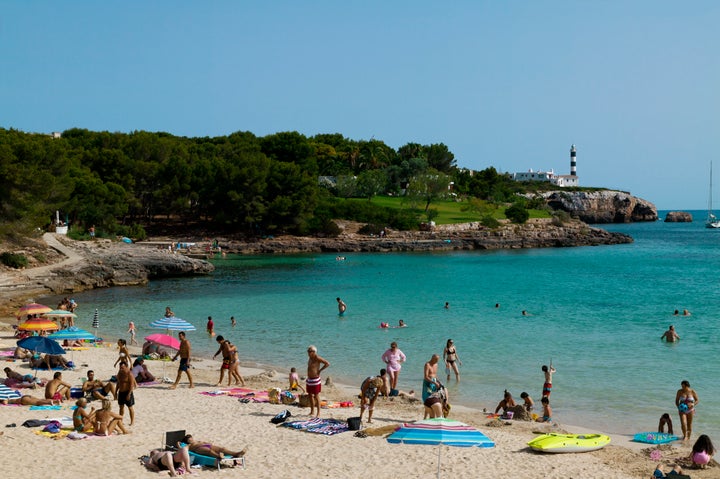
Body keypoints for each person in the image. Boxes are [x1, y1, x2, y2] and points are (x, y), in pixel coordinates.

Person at [182, 434, 247, 463]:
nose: (191, 439)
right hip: (198, 449)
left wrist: (207, 443)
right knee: (209, 451)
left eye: (191, 438)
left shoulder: (197, 441)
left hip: (206, 445)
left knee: (222, 449)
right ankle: (218, 456)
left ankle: (236, 453)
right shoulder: (189, 445)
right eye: (189, 439)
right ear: (187, 441)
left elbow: (204, 442)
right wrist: (178, 444)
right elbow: (183, 448)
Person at [306, 345, 330, 417]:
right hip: (309, 379)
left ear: (314, 352)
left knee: (316, 396)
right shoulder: (310, 358)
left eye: (310, 351)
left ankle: (318, 413)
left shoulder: (317, 358)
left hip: (315, 379)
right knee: (310, 395)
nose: (308, 352)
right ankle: (312, 411)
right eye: (308, 351)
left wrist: (320, 370)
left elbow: (327, 363)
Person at [116, 361, 137, 426]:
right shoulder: (120, 373)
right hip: (121, 392)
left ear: (126, 367)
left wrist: (129, 394)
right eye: (120, 368)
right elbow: (118, 383)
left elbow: (131, 385)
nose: (121, 369)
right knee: (121, 407)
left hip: (127, 392)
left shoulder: (129, 374)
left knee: (130, 407)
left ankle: (132, 421)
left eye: (122, 368)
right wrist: (115, 392)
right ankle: (121, 421)